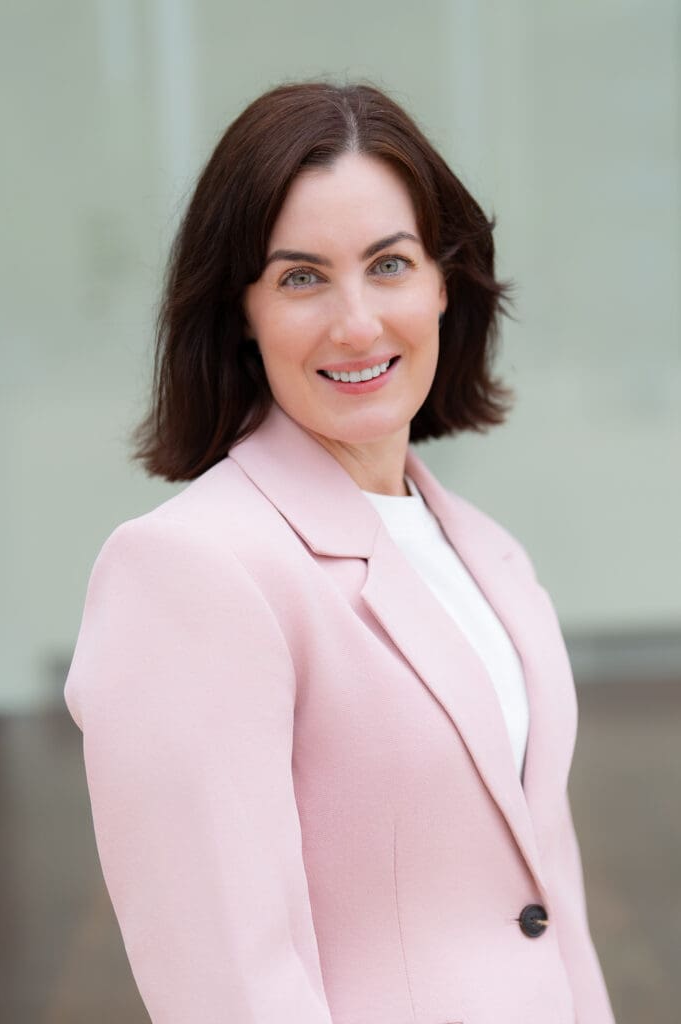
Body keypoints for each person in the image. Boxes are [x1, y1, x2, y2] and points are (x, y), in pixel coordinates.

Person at [64, 81, 616, 1023]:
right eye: (301, 277)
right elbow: (227, 985)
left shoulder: (487, 554)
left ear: (443, 282)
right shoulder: (189, 571)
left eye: (388, 264)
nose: (356, 323)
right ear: (241, 311)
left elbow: (548, 905)